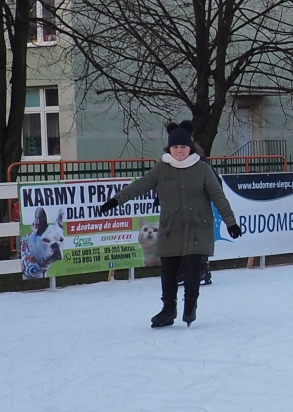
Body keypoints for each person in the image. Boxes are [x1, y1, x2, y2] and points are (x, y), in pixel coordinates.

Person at [98, 123, 243, 328]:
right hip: (170, 228)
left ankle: (190, 307)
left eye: (183, 147)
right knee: (168, 271)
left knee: (193, 269)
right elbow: (139, 186)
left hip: (197, 226)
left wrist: (231, 223)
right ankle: (168, 309)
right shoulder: (161, 168)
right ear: (169, 149)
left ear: (190, 147)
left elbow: (218, 197)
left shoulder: (202, 169)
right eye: (175, 147)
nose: (179, 151)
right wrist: (115, 201)